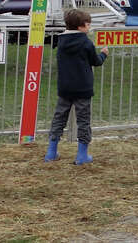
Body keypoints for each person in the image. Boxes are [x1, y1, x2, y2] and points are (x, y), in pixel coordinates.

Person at [44, 9, 108, 164]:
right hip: (82, 88)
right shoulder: (86, 42)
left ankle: (51, 152)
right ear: (81, 26)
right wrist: (103, 54)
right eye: (88, 24)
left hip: (65, 87)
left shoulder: (61, 41)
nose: (89, 27)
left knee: (59, 118)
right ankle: (82, 155)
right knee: (83, 121)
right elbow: (96, 62)